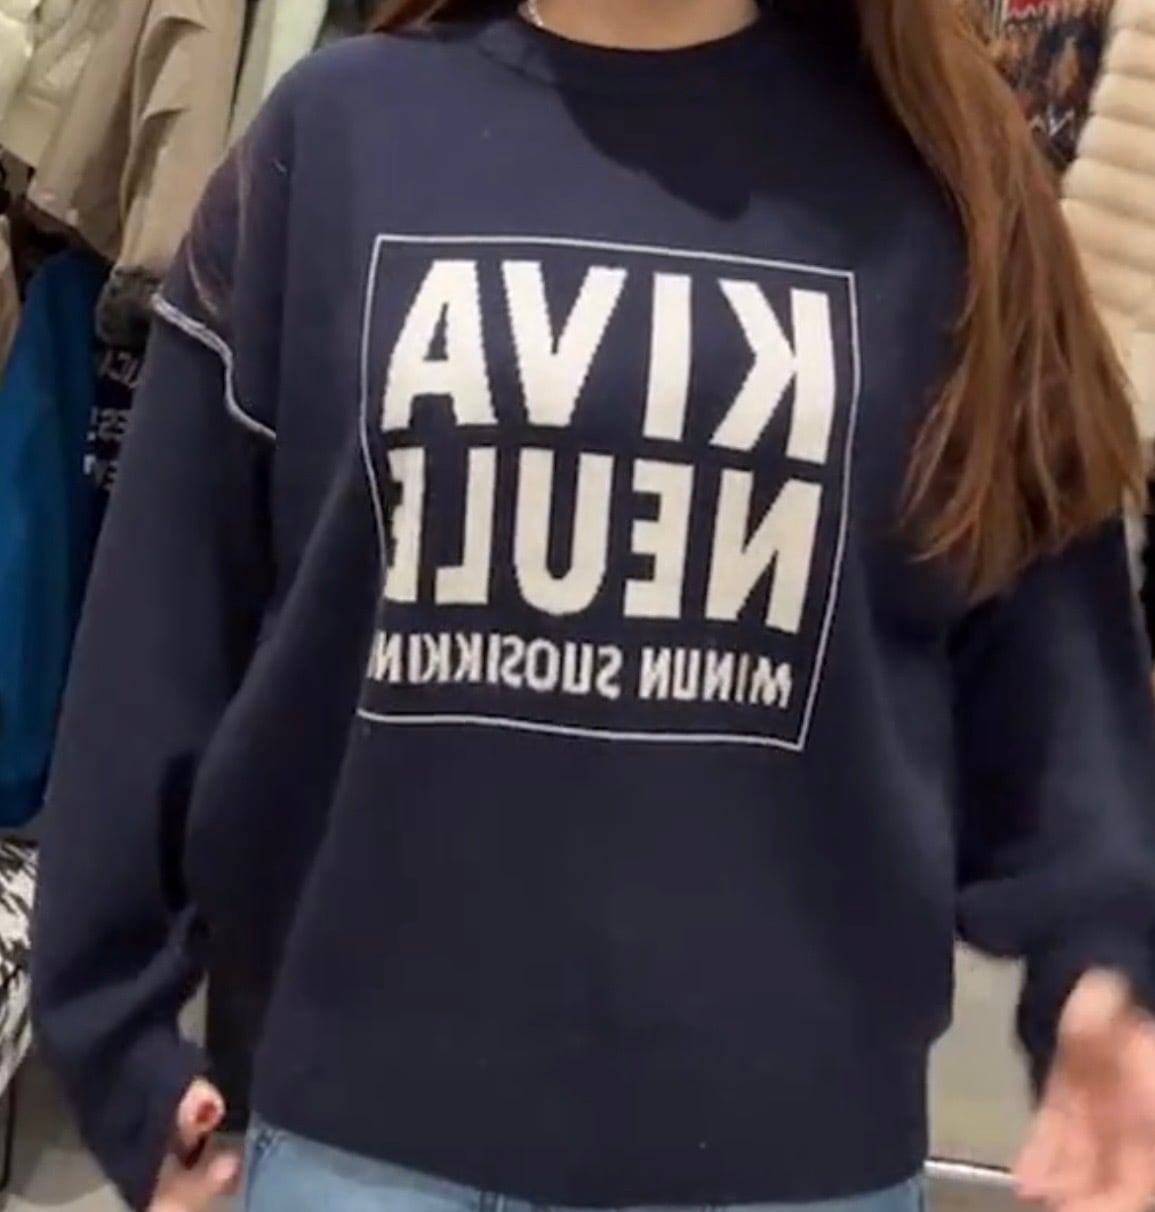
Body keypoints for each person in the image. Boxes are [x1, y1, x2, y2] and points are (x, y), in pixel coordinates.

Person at [28, 0, 1155, 1210]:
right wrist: (118, 1046)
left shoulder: (948, 185)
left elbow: (1056, 687)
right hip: (365, 1148)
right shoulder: (337, 138)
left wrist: (1106, 969)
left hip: (788, 1159)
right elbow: (160, 635)